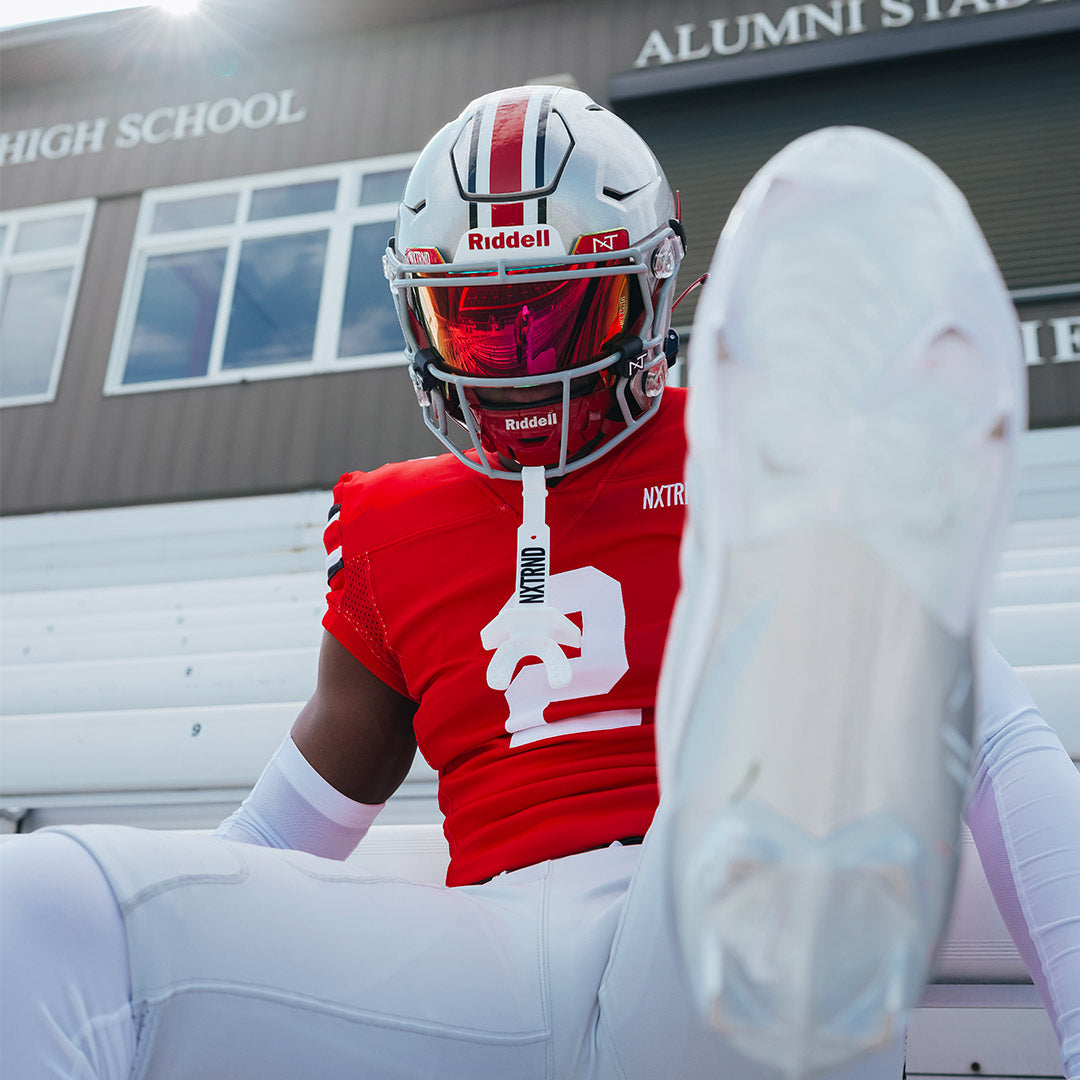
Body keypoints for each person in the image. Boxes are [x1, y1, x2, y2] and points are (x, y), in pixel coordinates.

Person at [1, 85, 1077, 1080]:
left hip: (712, 931)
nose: (526, 368)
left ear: (650, 289)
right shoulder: (389, 523)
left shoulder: (755, 441)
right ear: (421, 315)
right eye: (479, 322)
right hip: (489, 963)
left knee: (839, 671)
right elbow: (272, 851)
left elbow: (990, 737)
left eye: (558, 313)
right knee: (44, 901)